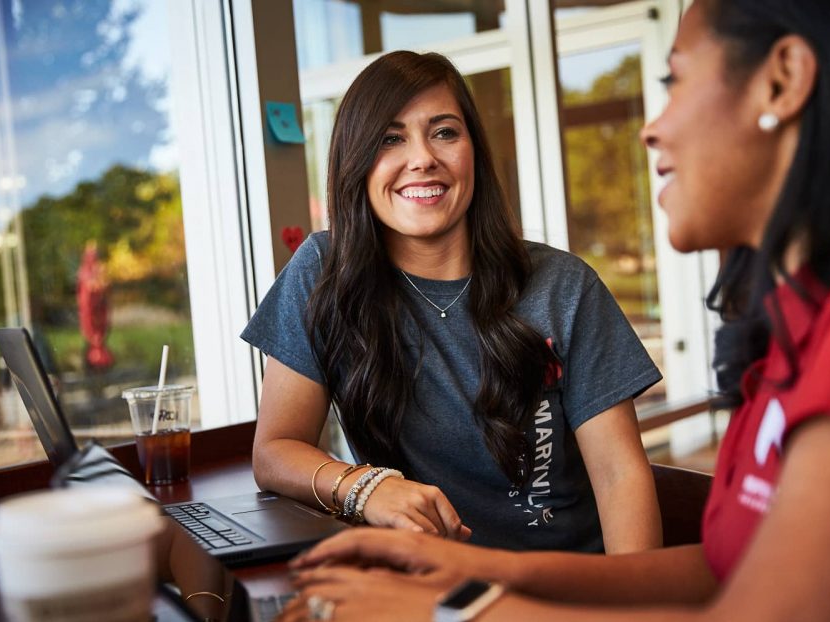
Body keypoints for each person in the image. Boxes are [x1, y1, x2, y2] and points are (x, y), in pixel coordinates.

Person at [260, 1, 830, 622]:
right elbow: (724, 565)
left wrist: (451, 618)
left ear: (781, 81)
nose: (650, 127)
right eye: (391, 139)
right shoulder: (799, 326)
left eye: (674, 80)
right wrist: (478, 570)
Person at [241, 50, 663, 553]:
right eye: (390, 139)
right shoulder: (324, 272)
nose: (422, 158)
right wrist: (367, 488)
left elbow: (620, 476)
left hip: (563, 590)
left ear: (474, 153)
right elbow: (274, 451)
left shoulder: (563, 286)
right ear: (356, 161)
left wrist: (627, 616)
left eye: (444, 132)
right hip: (425, 591)